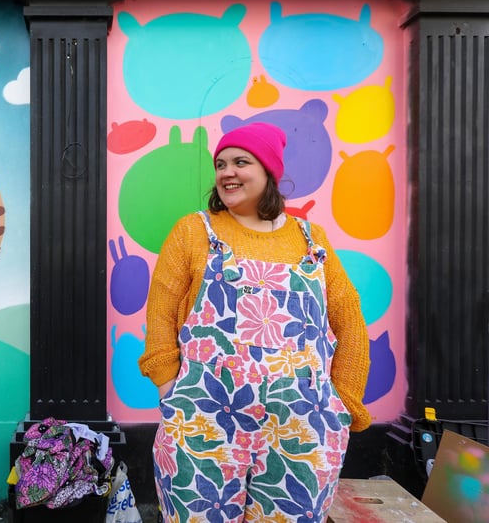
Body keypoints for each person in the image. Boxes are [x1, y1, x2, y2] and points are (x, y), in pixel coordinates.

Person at [139, 122, 371, 522]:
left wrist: (343, 400)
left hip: (301, 431)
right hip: (203, 423)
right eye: (221, 163)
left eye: (241, 162)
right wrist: (166, 381)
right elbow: (160, 308)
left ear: (269, 172)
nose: (227, 172)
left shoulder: (311, 240)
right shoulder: (194, 232)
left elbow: (350, 316)